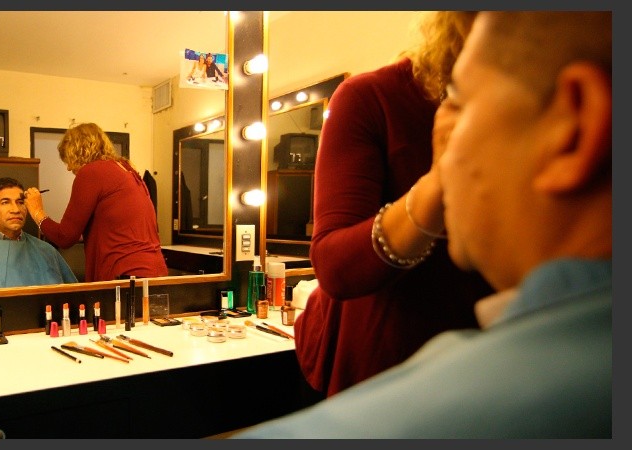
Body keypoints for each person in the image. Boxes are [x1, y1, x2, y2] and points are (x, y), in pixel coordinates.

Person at [233, 11, 611, 438]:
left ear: (574, 126)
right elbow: (335, 264)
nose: (446, 130)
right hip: (390, 359)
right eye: (452, 99)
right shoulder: (372, 96)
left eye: (463, 103)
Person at [295, 11, 493, 398]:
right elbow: (335, 265)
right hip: (389, 369)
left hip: (496, 359)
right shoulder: (372, 97)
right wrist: (437, 186)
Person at [23, 122, 168, 282]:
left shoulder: (91, 172)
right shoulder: (128, 171)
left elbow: (65, 238)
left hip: (126, 274)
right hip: (155, 270)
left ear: (77, 151)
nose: (69, 168)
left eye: (68, 160)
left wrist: (37, 212)